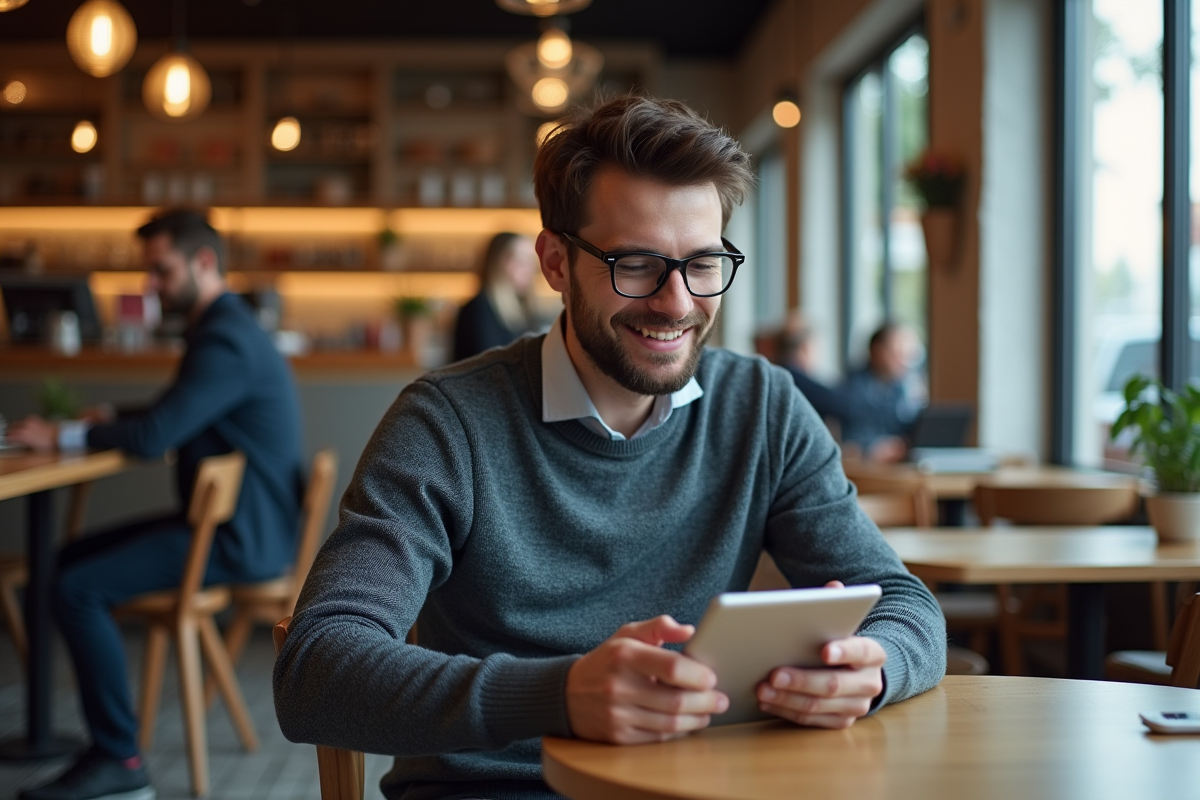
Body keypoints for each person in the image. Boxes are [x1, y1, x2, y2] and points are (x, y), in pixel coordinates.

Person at [274, 96, 945, 800]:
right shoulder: (448, 422)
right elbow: (315, 670)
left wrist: (876, 668)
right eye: (636, 264)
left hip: (695, 785)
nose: (677, 303)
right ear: (556, 263)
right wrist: (559, 694)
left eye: (703, 263)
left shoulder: (763, 408)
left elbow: (906, 604)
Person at [10, 209, 306, 800]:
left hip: (236, 540)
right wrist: (110, 416)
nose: (151, 286)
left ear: (203, 262)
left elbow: (155, 438)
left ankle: (119, 762)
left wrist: (63, 435)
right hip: (236, 527)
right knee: (65, 562)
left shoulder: (224, 336)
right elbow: (177, 409)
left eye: (161, 271)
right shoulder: (225, 328)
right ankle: (104, 746)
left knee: (75, 586)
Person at [837, 323, 924, 461]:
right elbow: (851, 438)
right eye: (898, 352)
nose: (905, 360)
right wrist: (872, 448)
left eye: (908, 354)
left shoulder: (904, 389)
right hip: (867, 470)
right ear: (878, 351)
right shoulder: (853, 389)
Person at [452, 232, 541, 361]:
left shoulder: (524, 309)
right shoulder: (477, 310)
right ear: (497, 262)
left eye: (531, 261)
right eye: (521, 260)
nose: (530, 269)